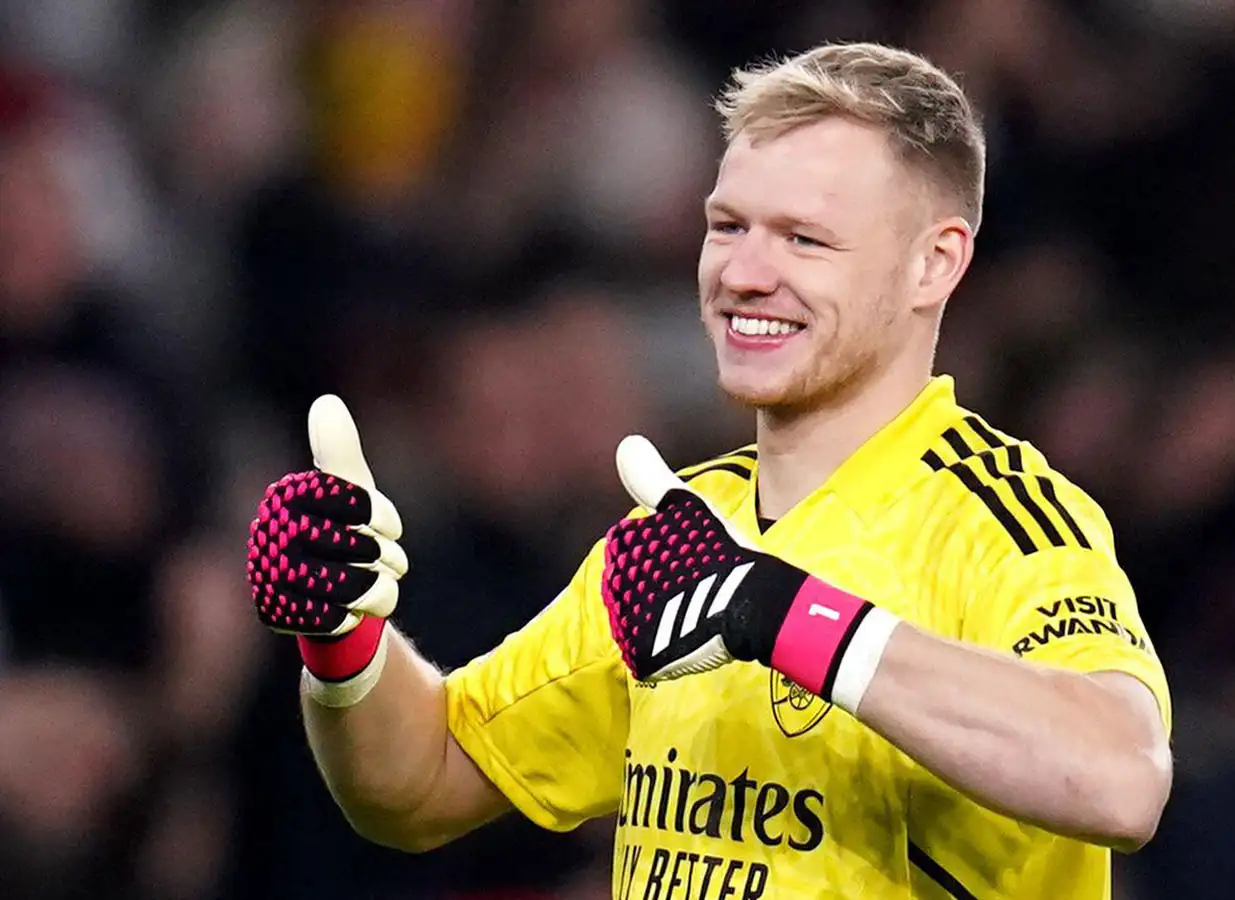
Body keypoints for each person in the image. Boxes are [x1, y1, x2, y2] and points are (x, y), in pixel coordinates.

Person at [246, 42, 1173, 899]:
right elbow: (424, 782)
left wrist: (783, 617)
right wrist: (346, 643)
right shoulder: (674, 542)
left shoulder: (996, 520)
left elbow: (1121, 778)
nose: (745, 273)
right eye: (728, 226)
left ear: (933, 265)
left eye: (805, 239)